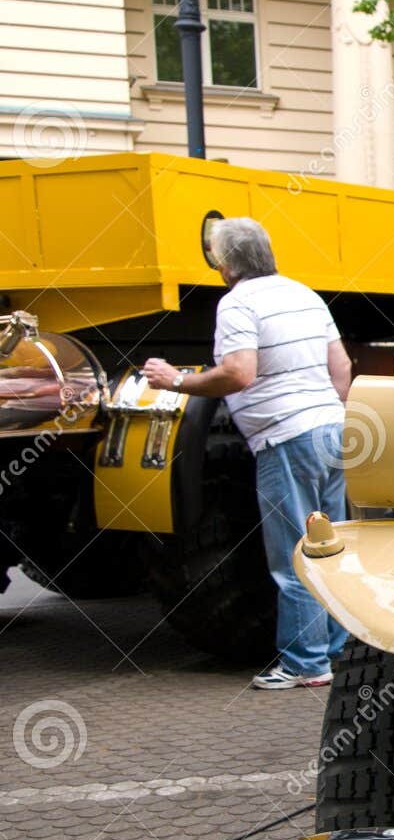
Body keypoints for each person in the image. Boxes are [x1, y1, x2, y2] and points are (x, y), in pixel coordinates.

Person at [141, 219, 352, 690]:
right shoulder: (304, 294)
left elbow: (238, 373)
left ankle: (304, 664)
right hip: (331, 431)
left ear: (224, 264)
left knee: (294, 555)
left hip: (285, 439)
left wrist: (175, 380)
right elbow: (342, 368)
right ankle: (338, 652)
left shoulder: (237, 303)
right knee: (330, 549)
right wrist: (324, 410)